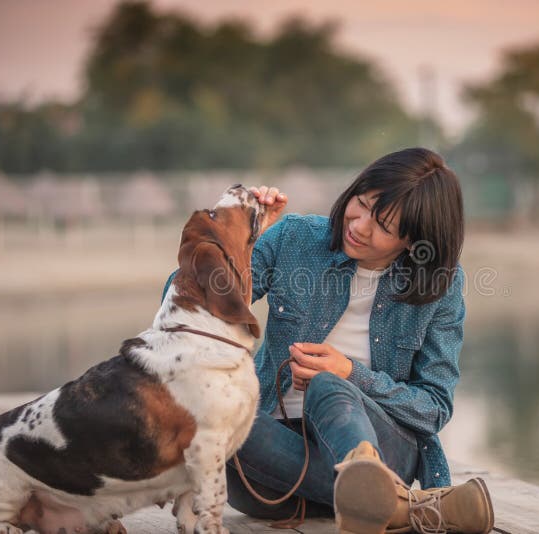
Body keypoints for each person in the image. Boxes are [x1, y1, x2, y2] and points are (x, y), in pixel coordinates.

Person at [161, 147, 494, 533]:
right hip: (267, 477)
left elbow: (433, 408)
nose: (360, 225)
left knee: (327, 385)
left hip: (384, 452)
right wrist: (240, 239)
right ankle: (399, 506)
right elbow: (187, 308)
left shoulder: (442, 285)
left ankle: (369, 485)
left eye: (384, 226)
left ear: (414, 241)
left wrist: (353, 375)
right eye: (363, 204)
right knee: (216, 406)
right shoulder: (294, 239)